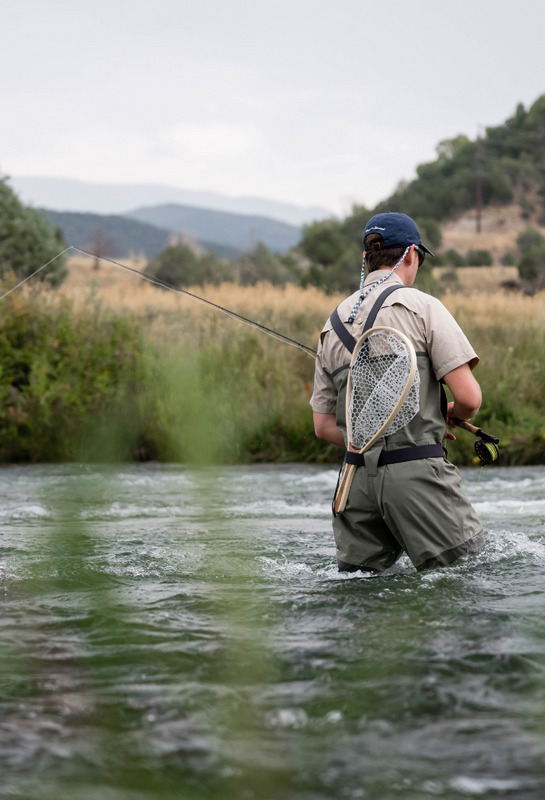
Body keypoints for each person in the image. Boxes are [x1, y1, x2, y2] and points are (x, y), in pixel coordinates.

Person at [310, 211, 484, 573]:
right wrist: (450, 413)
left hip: (353, 485)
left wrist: (374, 438)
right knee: (471, 573)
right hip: (414, 475)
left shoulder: (332, 324)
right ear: (410, 254)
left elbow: (323, 427)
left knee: (362, 598)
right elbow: (469, 399)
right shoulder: (423, 307)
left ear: (367, 258)